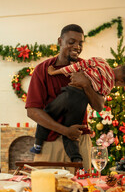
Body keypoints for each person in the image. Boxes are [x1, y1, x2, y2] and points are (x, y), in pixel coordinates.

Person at [26, 24, 105, 170]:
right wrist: (65, 131)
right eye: (71, 42)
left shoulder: (87, 68)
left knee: (83, 189)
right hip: (49, 143)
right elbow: (32, 111)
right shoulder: (42, 70)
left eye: (80, 43)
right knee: (45, 189)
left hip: (80, 140)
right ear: (59, 41)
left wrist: (86, 84)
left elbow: (100, 106)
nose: (77, 47)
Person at [30, 57, 125, 162]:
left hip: (68, 95)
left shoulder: (99, 61)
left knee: (49, 112)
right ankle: (76, 157)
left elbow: (77, 67)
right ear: (120, 83)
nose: (77, 46)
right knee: (73, 132)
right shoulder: (108, 86)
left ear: (118, 66)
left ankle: (38, 143)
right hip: (79, 106)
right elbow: (99, 105)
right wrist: (88, 87)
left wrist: (56, 72)